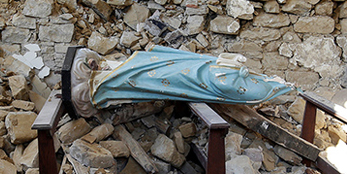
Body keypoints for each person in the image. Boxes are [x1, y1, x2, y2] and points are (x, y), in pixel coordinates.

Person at [70, 45, 295, 118]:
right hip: (183, 69)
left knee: (150, 78)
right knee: (144, 70)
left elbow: (225, 85)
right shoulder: (240, 78)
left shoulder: (242, 88)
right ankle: (105, 78)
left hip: (186, 79)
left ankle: (104, 84)